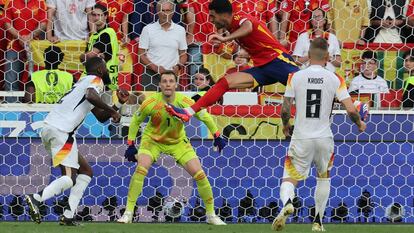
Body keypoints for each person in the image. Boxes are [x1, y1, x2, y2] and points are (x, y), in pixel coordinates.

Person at [273, 38, 366, 232]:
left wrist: (285, 125)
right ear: (327, 57)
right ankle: (318, 222)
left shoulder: (295, 77)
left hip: (301, 136)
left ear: (309, 54)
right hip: (324, 137)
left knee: (289, 178)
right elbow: (350, 109)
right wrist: (359, 123)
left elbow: (285, 108)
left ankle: (288, 202)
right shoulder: (336, 78)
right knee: (323, 176)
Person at [24, 57, 129, 226]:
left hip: (52, 130)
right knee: (69, 178)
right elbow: (91, 95)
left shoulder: (82, 84)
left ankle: (68, 215)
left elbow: (101, 117)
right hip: (61, 131)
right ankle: (36, 198)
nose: (108, 71)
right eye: (106, 68)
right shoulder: (96, 81)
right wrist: (112, 110)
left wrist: (116, 105)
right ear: (101, 69)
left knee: (86, 171)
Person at [117, 71, 226, 225]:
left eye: (171, 81)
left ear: (176, 84)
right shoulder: (150, 102)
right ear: (160, 85)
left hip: (178, 142)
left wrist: (217, 135)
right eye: (164, 81)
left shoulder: (184, 101)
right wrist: (130, 145)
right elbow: (136, 120)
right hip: (152, 140)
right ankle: (128, 213)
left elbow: (204, 116)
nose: (167, 84)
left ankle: (211, 215)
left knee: (200, 174)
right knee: (141, 168)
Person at [165, 0, 299, 122]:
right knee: (224, 82)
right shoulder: (230, 27)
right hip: (262, 67)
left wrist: (225, 39)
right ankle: (188, 112)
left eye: (212, 16)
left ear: (223, 15)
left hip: (278, 61)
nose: (210, 20)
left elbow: (249, 27)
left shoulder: (238, 17)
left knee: (307, 89)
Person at [3, 0, 47, 103]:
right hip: (14, 46)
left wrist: (30, 36)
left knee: (34, 79)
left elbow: (43, 23)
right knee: (11, 78)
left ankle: (33, 106)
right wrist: (20, 37)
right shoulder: (11, 2)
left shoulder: (40, 2)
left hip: (34, 48)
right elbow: (6, 23)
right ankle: (12, 108)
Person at [138, 0, 187, 91]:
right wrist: (156, 68)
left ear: (173, 12)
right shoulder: (148, 29)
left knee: (172, 104)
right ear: (157, 12)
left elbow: (183, 54)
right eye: (162, 10)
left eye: (168, 10)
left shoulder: (180, 30)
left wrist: (178, 67)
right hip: (151, 76)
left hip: (171, 77)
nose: (165, 14)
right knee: (151, 104)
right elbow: (141, 55)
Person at [80, 3, 120, 90]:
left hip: (103, 80)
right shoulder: (95, 35)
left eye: (99, 15)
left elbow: (89, 56)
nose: (96, 18)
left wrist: (82, 56)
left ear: (106, 16)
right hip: (97, 80)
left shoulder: (106, 33)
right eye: (94, 15)